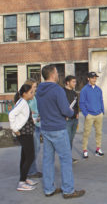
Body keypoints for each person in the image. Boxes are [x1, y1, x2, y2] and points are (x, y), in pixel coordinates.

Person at [36, 64, 85, 198]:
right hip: (58, 128)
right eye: (57, 73)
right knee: (65, 160)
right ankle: (68, 190)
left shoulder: (39, 89)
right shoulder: (57, 90)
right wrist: (71, 112)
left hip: (45, 129)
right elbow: (65, 110)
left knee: (47, 160)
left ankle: (49, 189)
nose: (58, 75)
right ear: (52, 74)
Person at [9, 84, 38, 191]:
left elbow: (24, 117)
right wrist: (14, 129)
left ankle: (24, 178)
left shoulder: (23, 102)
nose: (33, 94)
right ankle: (21, 182)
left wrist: (34, 119)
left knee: (25, 157)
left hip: (27, 132)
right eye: (31, 92)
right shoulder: (22, 103)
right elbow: (11, 114)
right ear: (24, 94)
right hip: (24, 133)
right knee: (30, 157)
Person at [79, 72, 105, 159]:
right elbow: (81, 103)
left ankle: (98, 149)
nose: (94, 79)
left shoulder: (98, 89)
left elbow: (101, 100)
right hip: (89, 115)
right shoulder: (84, 90)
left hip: (99, 114)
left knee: (99, 133)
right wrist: (86, 114)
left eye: (95, 78)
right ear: (88, 79)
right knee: (86, 133)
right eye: (93, 78)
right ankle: (85, 150)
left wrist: (102, 111)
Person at [24, 79, 43, 179]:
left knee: (36, 148)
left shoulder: (34, 96)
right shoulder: (27, 97)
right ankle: (31, 171)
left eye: (36, 87)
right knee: (34, 149)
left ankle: (32, 170)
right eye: (34, 87)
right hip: (32, 126)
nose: (35, 89)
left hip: (38, 124)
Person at [63, 75, 79, 164]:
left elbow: (76, 106)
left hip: (74, 119)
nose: (75, 83)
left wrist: (77, 115)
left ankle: (69, 157)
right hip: (67, 120)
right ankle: (66, 158)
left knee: (71, 139)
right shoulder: (62, 92)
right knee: (67, 139)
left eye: (75, 82)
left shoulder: (74, 93)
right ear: (67, 82)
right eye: (73, 82)